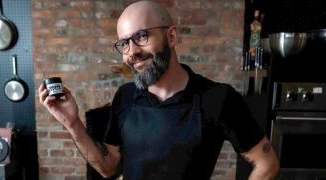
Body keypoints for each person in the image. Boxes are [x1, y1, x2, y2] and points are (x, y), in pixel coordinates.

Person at [38, 1, 280, 179]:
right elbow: (109, 168)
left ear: (172, 36)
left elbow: (267, 163)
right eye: (124, 43)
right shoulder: (125, 97)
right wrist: (72, 123)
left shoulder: (218, 98)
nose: (131, 52)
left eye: (141, 36)